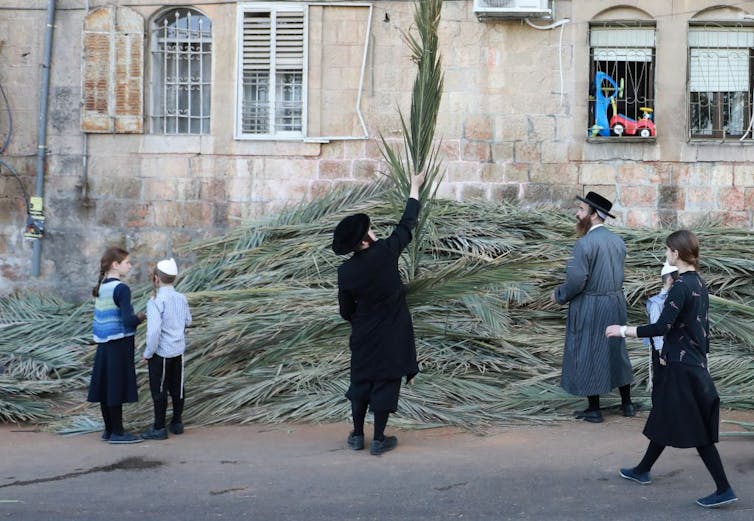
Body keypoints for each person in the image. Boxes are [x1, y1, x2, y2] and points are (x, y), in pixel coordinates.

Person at [606, 230, 737, 509]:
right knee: (663, 417)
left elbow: (661, 327)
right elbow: (702, 328)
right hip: (690, 363)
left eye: (668, 250)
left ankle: (724, 488)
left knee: (697, 432)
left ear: (676, 253)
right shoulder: (699, 283)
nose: (666, 254)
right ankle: (642, 470)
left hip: (682, 368)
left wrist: (623, 330)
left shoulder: (681, 286)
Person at [332, 172, 424, 456]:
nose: (374, 231)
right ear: (364, 241)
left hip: (363, 333)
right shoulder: (385, 252)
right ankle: (380, 439)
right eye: (370, 230)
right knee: (386, 380)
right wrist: (415, 187)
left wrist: (360, 320)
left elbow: (345, 310)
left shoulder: (345, 271)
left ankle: (358, 435)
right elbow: (407, 225)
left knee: (361, 380)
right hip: (392, 332)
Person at [552, 191, 634, 423]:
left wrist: (559, 295)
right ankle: (626, 404)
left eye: (581, 210)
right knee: (616, 351)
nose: (577, 214)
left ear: (594, 215)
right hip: (615, 303)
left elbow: (577, 281)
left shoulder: (585, 244)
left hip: (591, 304)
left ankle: (594, 410)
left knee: (588, 351)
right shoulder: (618, 241)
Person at [88, 247, 146, 444]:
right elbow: (128, 321)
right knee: (115, 387)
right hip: (119, 343)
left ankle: (109, 429)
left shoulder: (102, 286)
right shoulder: (121, 289)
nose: (130, 266)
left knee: (105, 386)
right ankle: (118, 433)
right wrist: (141, 316)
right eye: (127, 262)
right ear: (115, 265)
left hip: (104, 344)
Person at [141, 258, 192, 440]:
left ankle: (159, 427)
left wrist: (148, 353)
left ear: (156, 279)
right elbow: (188, 321)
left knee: (159, 389)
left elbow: (154, 331)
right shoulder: (181, 298)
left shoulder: (155, 301)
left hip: (161, 352)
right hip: (178, 350)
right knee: (177, 386)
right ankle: (177, 423)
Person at [644, 262, 678, 389]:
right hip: (663, 351)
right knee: (663, 383)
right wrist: (660, 353)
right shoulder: (657, 303)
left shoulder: (676, 298)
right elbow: (656, 329)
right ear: (670, 279)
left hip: (674, 349)